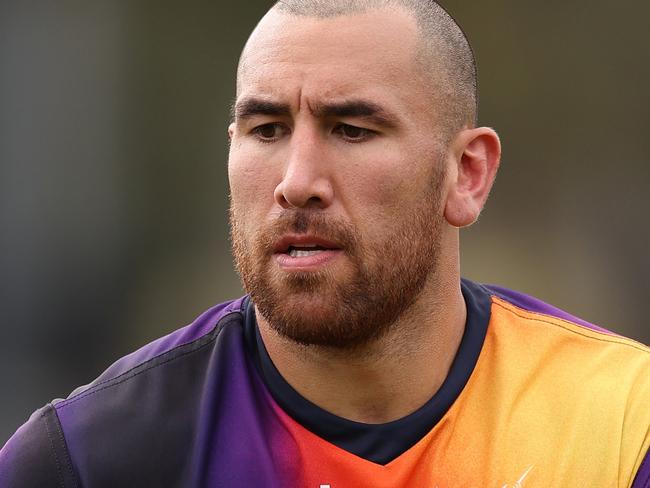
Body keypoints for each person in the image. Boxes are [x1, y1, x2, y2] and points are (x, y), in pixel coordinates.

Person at [1, 0, 649, 486]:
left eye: (351, 129)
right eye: (267, 128)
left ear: (467, 174)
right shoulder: (88, 459)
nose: (297, 182)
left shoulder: (622, 429)